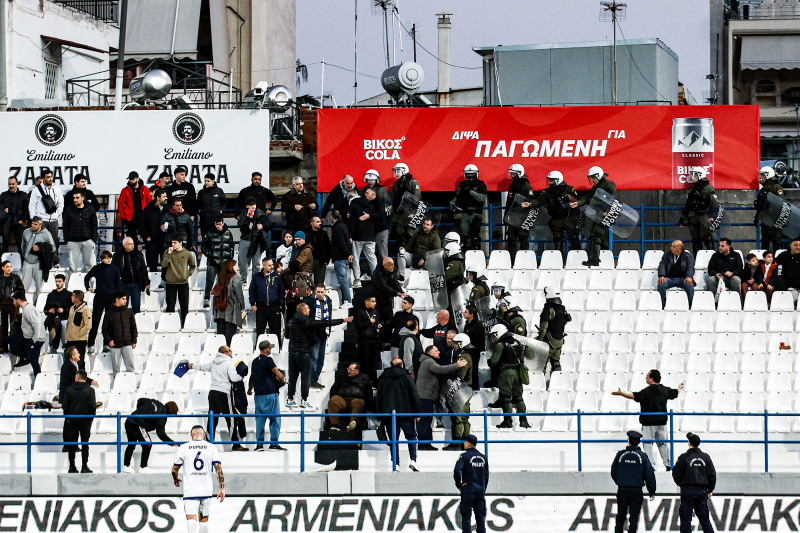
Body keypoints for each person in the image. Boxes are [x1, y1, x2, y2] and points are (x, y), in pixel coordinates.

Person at [613, 370, 684, 471]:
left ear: (651, 379)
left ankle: (651, 465)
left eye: (647, 376)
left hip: (648, 423)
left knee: (647, 444)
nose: (646, 377)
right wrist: (680, 387)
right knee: (662, 444)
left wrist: (621, 393)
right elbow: (675, 393)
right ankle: (668, 464)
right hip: (662, 423)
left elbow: (634, 396)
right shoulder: (665, 390)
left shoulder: (647, 391)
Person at [285, 302, 352, 409]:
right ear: (304, 311)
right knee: (305, 377)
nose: (309, 310)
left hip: (292, 352)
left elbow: (287, 336)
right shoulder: (307, 321)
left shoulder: (291, 321)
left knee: (292, 376)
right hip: (304, 352)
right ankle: (304, 400)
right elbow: (324, 323)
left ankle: (290, 399)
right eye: (307, 309)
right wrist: (342, 320)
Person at [188, 346, 245, 448]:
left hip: (213, 393)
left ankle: (209, 443)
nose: (231, 352)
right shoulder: (229, 362)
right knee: (231, 419)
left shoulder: (214, 362)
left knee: (212, 419)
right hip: (223, 392)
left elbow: (203, 367)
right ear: (225, 353)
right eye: (229, 350)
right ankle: (236, 444)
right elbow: (233, 378)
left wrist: (192, 366)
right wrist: (241, 376)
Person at [172, 425, 225, 533]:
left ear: (191, 435)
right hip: (206, 489)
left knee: (191, 519)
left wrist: (175, 478)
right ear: (204, 435)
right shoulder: (211, 447)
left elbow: (174, 468)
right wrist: (222, 488)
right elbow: (218, 468)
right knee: (204, 520)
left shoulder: (184, 447)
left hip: (190, 489)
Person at [416, 345, 467, 450]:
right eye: (436, 350)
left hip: (426, 397)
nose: (439, 352)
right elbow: (440, 369)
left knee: (427, 420)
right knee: (425, 421)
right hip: (425, 397)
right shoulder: (429, 362)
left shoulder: (427, 361)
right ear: (430, 353)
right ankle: (423, 444)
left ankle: (426, 443)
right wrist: (457, 365)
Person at [377, 356, 420, 471]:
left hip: (389, 415)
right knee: (411, 437)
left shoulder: (384, 378)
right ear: (402, 365)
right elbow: (414, 395)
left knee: (393, 440)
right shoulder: (407, 377)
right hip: (406, 413)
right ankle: (413, 460)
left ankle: (395, 463)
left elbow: (379, 398)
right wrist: (417, 412)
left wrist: (380, 416)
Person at [611, 430, 657, 533]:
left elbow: (613, 471)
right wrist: (652, 491)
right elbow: (649, 475)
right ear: (639, 442)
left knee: (620, 515)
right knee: (634, 517)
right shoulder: (642, 456)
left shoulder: (620, 455)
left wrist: (621, 481)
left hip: (622, 489)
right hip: (636, 490)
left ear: (628, 441)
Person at [571, 166, 617, 267]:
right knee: (601, 239)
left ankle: (595, 259)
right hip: (599, 216)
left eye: (592, 178)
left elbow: (614, 200)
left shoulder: (609, 185)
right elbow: (587, 197)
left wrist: (608, 212)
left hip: (608, 215)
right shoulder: (595, 188)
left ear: (598, 176)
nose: (591, 180)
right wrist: (578, 203)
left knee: (597, 234)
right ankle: (606, 260)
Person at [673, 433, 717, 533]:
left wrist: (682, 483)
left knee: (685, 519)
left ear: (689, 443)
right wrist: (710, 489)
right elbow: (712, 474)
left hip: (687, 490)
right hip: (702, 491)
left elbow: (676, 473)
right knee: (704, 518)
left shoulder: (683, 457)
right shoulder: (706, 457)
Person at [248, 339, 287, 451]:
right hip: (270, 393)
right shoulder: (268, 359)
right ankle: (274, 444)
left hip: (258, 395)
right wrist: (282, 378)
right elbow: (274, 370)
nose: (270, 349)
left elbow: (252, 376)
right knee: (275, 419)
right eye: (269, 348)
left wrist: (250, 389)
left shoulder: (255, 361)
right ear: (265, 349)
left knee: (260, 420)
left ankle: (259, 445)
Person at [488, 324, 529, 429]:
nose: (494, 338)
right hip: (517, 372)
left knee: (506, 398)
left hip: (506, 373)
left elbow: (493, 362)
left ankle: (508, 421)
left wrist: (489, 361)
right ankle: (523, 420)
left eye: (494, 335)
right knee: (518, 397)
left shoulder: (501, 345)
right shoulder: (517, 342)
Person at [122, 397, 179, 473]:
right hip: (137, 424)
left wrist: (140, 413)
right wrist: (171, 443)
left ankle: (126, 466)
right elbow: (160, 433)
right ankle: (143, 467)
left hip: (129, 420)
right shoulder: (162, 415)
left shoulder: (155, 402)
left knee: (131, 444)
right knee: (148, 444)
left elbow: (140, 400)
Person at [85, 250, 122, 352]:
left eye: (110, 257)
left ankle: (107, 344)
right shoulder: (97, 268)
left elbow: (118, 284)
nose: (109, 259)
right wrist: (88, 288)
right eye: (106, 258)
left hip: (111, 298)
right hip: (100, 297)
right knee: (95, 321)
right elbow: (87, 277)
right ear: (102, 259)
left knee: (108, 322)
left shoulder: (115, 269)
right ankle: (91, 344)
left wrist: (117, 298)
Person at [540, 169, 581, 256]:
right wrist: (531, 203)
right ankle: (558, 259)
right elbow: (539, 200)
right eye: (549, 180)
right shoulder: (547, 191)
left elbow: (577, 200)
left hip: (569, 218)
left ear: (557, 180)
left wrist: (566, 199)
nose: (549, 182)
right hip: (556, 218)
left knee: (574, 238)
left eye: (551, 180)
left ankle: (579, 258)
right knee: (557, 240)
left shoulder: (569, 189)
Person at [61, 369, 96, 473]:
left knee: (72, 444)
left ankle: (72, 466)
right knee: (85, 443)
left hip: (72, 420)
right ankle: (84, 466)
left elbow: (65, 405)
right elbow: (93, 406)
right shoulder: (90, 390)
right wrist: (91, 418)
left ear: (77, 377)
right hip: (85, 420)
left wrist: (67, 417)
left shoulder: (69, 389)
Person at [446, 334, 476, 449]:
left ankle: (458, 443)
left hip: (461, 390)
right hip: (465, 390)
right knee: (463, 417)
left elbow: (460, 377)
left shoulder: (463, 357)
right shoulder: (466, 355)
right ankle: (465, 443)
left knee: (458, 417)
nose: (454, 345)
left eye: (456, 343)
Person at [454, 434, 489, 533]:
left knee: (466, 518)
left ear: (469, 444)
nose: (464, 444)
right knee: (480, 519)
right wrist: (482, 489)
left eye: (465, 442)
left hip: (468, 490)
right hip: (480, 491)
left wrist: (459, 484)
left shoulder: (464, 456)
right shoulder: (484, 457)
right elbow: (486, 476)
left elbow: (457, 471)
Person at [28, 169, 63, 264]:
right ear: (43, 178)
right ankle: (40, 261)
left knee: (54, 241)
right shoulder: (36, 190)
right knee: (40, 241)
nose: (50, 179)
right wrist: (34, 219)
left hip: (53, 220)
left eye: (51, 177)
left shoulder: (57, 189)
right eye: (48, 177)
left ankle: (55, 261)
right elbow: (32, 205)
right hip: (41, 221)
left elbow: (61, 204)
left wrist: (56, 215)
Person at [303, 284, 335, 389]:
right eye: (318, 292)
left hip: (323, 332)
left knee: (321, 358)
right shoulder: (309, 301)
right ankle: (312, 380)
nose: (320, 294)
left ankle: (314, 379)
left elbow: (329, 316)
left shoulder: (328, 301)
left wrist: (328, 329)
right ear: (315, 292)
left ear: (325, 291)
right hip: (313, 332)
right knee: (314, 357)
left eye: (322, 292)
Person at [679, 167, 716, 255]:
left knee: (708, 240)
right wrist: (682, 219)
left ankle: (711, 259)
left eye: (694, 175)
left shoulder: (708, 188)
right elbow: (688, 206)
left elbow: (714, 204)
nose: (692, 177)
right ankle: (697, 260)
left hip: (705, 218)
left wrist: (713, 216)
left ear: (700, 175)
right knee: (696, 241)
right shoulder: (693, 190)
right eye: (692, 174)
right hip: (694, 218)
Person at [162, 234, 197, 327]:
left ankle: (184, 324)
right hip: (170, 283)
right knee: (170, 306)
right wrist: (168, 255)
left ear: (180, 243)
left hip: (183, 283)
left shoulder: (187, 253)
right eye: (172, 242)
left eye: (175, 242)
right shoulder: (167, 252)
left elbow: (193, 266)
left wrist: (187, 274)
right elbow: (164, 265)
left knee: (184, 306)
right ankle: (170, 325)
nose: (172, 244)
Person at [504, 163, 537, 260]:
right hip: (512, 216)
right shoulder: (512, 185)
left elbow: (531, 202)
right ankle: (512, 260)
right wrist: (506, 215)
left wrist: (529, 218)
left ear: (520, 173)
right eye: (511, 174)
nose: (512, 176)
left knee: (523, 238)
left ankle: (524, 261)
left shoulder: (526, 186)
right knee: (511, 239)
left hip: (523, 216)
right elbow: (509, 201)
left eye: (514, 174)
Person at [249, 258, 285, 347]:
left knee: (276, 330)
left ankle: (278, 348)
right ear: (264, 266)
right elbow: (252, 291)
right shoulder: (256, 276)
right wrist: (252, 303)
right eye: (269, 265)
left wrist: (280, 303)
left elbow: (281, 291)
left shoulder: (277, 276)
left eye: (272, 265)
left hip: (274, 306)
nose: (272, 267)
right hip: (261, 307)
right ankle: (259, 348)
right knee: (260, 330)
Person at [450, 164, 487, 251]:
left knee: (475, 237)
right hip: (465, 213)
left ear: (476, 174)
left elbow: (481, 198)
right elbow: (457, 195)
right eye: (468, 174)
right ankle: (464, 255)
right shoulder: (462, 184)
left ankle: (476, 255)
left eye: (472, 174)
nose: (470, 175)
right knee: (463, 237)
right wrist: (452, 203)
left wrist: (470, 192)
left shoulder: (480, 184)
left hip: (476, 213)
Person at [328, 362, 373, 431]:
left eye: (351, 370)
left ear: (357, 371)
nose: (348, 371)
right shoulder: (342, 376)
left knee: (359, 402)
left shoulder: (365, 378)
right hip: (342, 399)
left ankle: (352, 423)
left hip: (356, 399)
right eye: (348, 369)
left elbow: (369, 392)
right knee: (333, 400)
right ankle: (335, 425)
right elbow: (334, 389)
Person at [8, 291, 45, 373]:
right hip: (28, 336)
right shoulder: (27, 308)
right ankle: (25, 357)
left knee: (34, 362)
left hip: (35, 339)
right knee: (11, 339)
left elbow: (37, 324)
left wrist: (34, 339)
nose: (13, 303)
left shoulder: (28, 310)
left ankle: (38, 379)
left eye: (14, 300)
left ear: (18, 300)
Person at [201, 217, 234, 307]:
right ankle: (206, 298)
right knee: (210, 281)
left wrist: (230, 258)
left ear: (223, 223)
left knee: (224, 282)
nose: (218, 226)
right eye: (216, 224)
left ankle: (223, 299)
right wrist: (209, 254)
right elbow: (203, 246)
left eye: (220, 224)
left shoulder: (228, 233)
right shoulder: (209, 233)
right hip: (213, 262)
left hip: (224, 262)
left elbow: (231, 246)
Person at [236, 197, 271, 284]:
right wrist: (247, 218)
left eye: (254, 205)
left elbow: (269, 224)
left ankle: (255, 280)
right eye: (250, 206)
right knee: (242, 261)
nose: (252, 208)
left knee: (256, 263)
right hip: (245, 239)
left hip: (256, 240)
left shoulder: (260, 213)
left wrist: (262, 226)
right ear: (247, 206)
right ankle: (243, 279)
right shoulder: (243, 213)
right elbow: (239, 224)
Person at [63, 189, 98, 273]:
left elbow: (94, 224)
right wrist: (67, 240)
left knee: (88, 266)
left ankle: (88, 285)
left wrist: (93, 240)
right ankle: (71, 285)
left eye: (77, 198)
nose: (75, 200)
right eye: (74, 198)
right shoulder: (69, 210)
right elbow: (65, 226)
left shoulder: (90, 208)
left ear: (83, 198)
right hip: (73, 241)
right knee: (72, 267)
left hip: (87, 241)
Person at [102, 291, 138, 373]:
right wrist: (109, 341)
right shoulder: (109, 313)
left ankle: (131, 384)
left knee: (130, 367)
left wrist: (134, 341)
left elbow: (134, 328)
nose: (126, 301)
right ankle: (117, 384)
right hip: (115, 345)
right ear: (117, 300)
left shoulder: (129, 312)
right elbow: (104, 329)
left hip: (127, 344)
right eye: (123, 299)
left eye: (125, 299)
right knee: (116, 368)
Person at [112, 237, 150, 314]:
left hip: (136, 284)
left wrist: (146, 283)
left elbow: (143, 269)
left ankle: (135, 323)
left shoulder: (138, 254)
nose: (132, 245)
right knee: (123, 306)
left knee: (136, 306)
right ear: (124, 245)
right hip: (123, 284)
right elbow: (114, 270)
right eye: (130, 244)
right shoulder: (117, 255)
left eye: (133, 243)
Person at [390, 163, 421, 253]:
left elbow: (417, 199)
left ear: (404, 170)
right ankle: (402, 258)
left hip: (409, 213)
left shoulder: (413, 182)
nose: (396, 173)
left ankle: (413, 258)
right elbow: (394, 199)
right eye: (395, 170)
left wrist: (415, 213)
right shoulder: (396, 184)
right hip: (399, 214)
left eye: (398, 170)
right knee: (399, 237)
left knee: (411, 236)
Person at [21, 216, 55, 297]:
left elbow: (53, 248)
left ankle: (37, 306)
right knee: (23, 287)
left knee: (39, 288)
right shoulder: (26, 232)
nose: (33, 225)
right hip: (27, 262)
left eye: (35, 224)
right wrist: (25, 255)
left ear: (40, 225)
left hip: (39, 263)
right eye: (32, 223)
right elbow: (22, 246)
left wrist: (41, 248)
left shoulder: (46, 233)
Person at [213, 260, 245, 346]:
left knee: (220, 336)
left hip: (220, 309)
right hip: (232, 308)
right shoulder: (236, 278)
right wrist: (243, 307)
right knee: (229, 337)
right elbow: (239, 294)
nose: (237, 268)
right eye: (235, 266)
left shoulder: (220, 277)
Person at [349, 188, 377, 284]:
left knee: (356, 258)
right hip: (370, 236)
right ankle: (376, 276)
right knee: (372, 257)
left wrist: (351, 236)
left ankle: (357, 279)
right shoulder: (370, 205)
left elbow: (352, 223)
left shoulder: (353, 206)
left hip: (358, 236)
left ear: (350, 197)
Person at [754, 166, 785, 252]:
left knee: (776, 241)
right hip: (764, 219)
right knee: (765, 241)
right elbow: (761, 205)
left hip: (773, 219)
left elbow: (781, 203)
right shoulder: (763, 189)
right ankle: (764, 262)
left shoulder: (776, 187)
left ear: (768, 175)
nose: (760, 177)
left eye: (762, 175)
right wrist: (757, 217)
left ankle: (777, 262)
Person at [657, 240, 695, 309]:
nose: (671, 248)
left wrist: (689, 276)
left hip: (683, 279)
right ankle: (663, 305)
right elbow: (661, 265)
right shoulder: (667, 255)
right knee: (661, 284)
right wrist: (661, 275)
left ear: (679, 248)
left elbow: (690, 267)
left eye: (673, 246)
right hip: (670, 278)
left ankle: (690, 305)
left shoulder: (688, 256)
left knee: (690, 285)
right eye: (671, 246)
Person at [364, 171, 392, 260]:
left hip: (382, 225)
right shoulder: (364, 190)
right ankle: (371, 272)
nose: (370, 182)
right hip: (370, 226)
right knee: (371, 252)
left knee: (382, 250)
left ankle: (385, 271)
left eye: (372, 179)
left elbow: (388, 208)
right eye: (368, 179)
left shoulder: (382, 190)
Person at [118, 171, 152, 243]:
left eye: (132, 179)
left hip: (142, 217)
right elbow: (120, 205)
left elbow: (149, 202)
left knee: (146, 237)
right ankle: (133, 254)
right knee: (132, 239)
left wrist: (148, 215)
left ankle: (148, 253)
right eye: (130, 179)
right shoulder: (125, 190)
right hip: (130, 218)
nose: (130, 181)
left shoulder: (145, 189)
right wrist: (124, 216)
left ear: (137, 179)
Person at [141, 188, 169, 271]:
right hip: (152, 241)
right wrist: (146, 237)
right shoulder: (149, 208)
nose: (166, 198)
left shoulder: (168, 207)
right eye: (164, 196)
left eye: (166, 196)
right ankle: (152, 283)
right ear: (158, 197)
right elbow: (142, 224)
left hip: (165, 240)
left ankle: (164, 283)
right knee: (152, 265)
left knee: (166, 265)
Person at [355, 295, 382, 382]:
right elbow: (358, 325)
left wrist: (378, 325)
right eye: (373, 301)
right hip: (364, 340)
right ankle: (363, 380)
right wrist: (369, 322)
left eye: (375, 301)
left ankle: (373, 380)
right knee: (364, 361)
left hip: (373, 339)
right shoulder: (360, 312)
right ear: (366, 302)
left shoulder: (375, 312)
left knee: (373, 362)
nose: (375, 303)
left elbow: (376, 322)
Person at [373, 257, 406, 326]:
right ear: (385, 266)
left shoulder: (392, 271)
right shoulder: (377, 274)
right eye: (391, 265)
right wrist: (396, 293)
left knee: (389, 322)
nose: (393, 267)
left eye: (393, 264)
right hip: (378, 302)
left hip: (388, 301)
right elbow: (383, 287)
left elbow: (395, 283)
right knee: (378, 323)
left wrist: (401, 292)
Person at [0, 176, 29, 253]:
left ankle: (23, 263)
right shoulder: (3, 195)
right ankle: (2, 263)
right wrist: (3, 210)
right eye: (9, 184)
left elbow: (27, 209)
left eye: (13, 184)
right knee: (5, 244)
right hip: (6, 223)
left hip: (18, 223)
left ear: (17, 184)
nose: (11, 186)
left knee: (20, 244)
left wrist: (22, 220)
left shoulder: (23, 195)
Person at [330, 210, 353, 306]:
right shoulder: (344, 226)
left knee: (342, 280)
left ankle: (348, 300)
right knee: (343, 280)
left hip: (340, 257)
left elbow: (341, 243)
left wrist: (348, 254)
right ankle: (346, 300)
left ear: (332, 217)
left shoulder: (337, 228)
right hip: (344, 257)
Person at [43, 273, 71, 351]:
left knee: (66, 342)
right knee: (52, 340)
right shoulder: (51, 295)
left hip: (64, 319)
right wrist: (49, 311)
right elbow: (45, 309)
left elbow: (72, 309)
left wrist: (64, 310)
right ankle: (53, 350)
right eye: (56, 281)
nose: (57, 283)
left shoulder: (69, 295)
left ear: (64, 282)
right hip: (53, 320)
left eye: (59, 281)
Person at [0, 260, 23, 353]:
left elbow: (21, 289)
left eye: (10, 266)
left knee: (14, 325)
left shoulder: (16, 278)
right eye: (7, 267)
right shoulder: (0, 278)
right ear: (2, 268)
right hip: (2, 304)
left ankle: (14, 346)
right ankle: (3, 346)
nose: (9, 268)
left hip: (13, 304)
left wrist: (15, 293)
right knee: (3, 326)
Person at [64, 290, 91, 368]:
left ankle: (81, 378)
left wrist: (79, 334)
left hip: (79, 340)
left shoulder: (85, 309)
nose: (71, 297)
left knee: (80, 361)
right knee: (68, 362)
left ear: (77, 298)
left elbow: (88, 325)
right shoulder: (72, 308)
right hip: (70, 339)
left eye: (73, 296)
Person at [305, 215, 331, 286]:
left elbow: (328, 247)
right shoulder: (306, 234)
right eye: (317, 222)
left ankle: (318, 297)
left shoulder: (324, 234)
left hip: (321, 262)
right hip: (309, 261)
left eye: (320, 222)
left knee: (319, 283)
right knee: (307, 283)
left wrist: (326, 260)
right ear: (312, 223)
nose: (320, 223)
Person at [230, 358, 249, 451]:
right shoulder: (233, 381)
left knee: (238, 423)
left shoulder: (239, 381)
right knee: (234, 424)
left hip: (240, 405)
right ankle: (236, 445)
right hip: (235, 406)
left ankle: (237, 444)